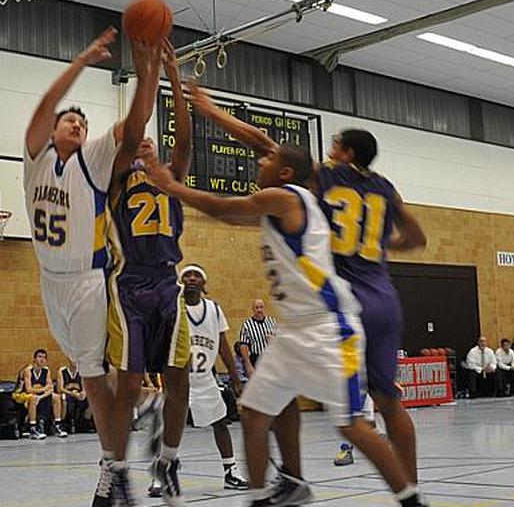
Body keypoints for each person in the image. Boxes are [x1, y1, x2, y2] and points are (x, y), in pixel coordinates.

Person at [140, 119, 425, 507]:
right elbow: (414, 236)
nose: (260, 162)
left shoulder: (289, 197)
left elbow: (223, 207)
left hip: (329, 325)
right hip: (298, 328)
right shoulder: (347, 191)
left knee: (352, 424)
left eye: (269, 160)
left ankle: (411, 499)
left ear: (287, 172)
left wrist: (169, 184)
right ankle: (269, 494)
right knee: (255, 412)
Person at [22, 22, 160, 507]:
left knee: (89, 376)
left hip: (86, 280)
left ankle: (113, 470)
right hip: (48, 280)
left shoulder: (95, 160)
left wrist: (148, 74)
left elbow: (135, 124)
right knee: (86, 372)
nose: (77, 126)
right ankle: (139, 403)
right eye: (70, 122)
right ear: (54, 130)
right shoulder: (36, 158)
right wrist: (81, 60)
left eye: (82, 123)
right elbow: (44, 106)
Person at [104, 40, 191, 507]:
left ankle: (169, 461)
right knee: (132, 384)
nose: (146, 140)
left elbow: (184, 140)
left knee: (181, 384)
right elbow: (133, 134)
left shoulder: (172, 175)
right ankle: (118, 469)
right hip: (130, 284)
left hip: (166, 282)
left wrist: (173, 79)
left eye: (150, 138)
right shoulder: (118, 175)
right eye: (140, 138)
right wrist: (147, 71)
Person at [150, 264, 248, 494]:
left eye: (197, 276)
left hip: (205, 379)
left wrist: (235, 378)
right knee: (168, 427)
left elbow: (224, 346)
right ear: (180, 282)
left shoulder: (213, 309)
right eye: (187, 275)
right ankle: (161, 471)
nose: (192, 278)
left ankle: (231, 471)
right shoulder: (172, 308)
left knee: (220, 423)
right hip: (177, 381)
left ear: (204, 283)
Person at [15, 349, 66, 440]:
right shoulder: (28, 370)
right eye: (39, 357)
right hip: (24, 396)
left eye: (44, 357)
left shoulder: (46, 370)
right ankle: (33, 428)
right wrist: (43, 389)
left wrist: (41, 396)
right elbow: (29, 389)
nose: (42, 359)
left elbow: (50, 387)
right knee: (33, 398)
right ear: (34, 359)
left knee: (56, 397)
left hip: (40, 396)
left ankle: (57, 425)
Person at [238, 299, 279, 376]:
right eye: (256, 308)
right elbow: (243, 347)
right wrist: (248, 366)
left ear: (264, 308)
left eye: (261, 307)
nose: (259, 310)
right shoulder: (247, 325)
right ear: (253, 309)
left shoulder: (272, 322)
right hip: (256, 359)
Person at [58, 357, 91, 434]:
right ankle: (63, 423)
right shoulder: (62, 371)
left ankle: (85, 423)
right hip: (67, 394)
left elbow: (84, 386)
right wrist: (72, 394)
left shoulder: (81, 371)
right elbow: (60, 389)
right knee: (63, 398)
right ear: (68, 359)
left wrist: (84, 392)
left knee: (92, 400)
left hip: (78, 394)